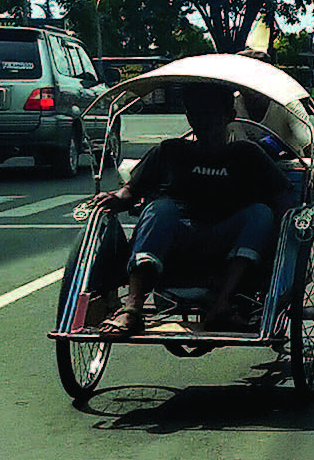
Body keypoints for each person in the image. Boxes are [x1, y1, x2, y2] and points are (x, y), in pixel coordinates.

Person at [91, 84, 291, 334]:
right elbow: (132, 190)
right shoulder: (170, 151)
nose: (203, 120)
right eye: (197, 112)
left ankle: (221, 306)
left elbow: (283, 198)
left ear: (229, 116)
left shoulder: (248, 154)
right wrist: (115, 198)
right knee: (159, 208)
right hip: (179, 239)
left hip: (228, 243)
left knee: (261, 213)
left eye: (211, 113)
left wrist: (286, 235)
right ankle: (132, 308)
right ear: (189, 116)